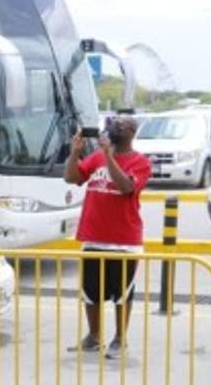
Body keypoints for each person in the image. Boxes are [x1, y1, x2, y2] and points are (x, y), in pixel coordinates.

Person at [64, 116, 152, 360]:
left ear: (132, 132)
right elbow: (71, 178)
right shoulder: (96, 158)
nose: (115, 127)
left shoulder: (141, 162)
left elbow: (126, 187)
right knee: (91, 293)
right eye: (114, 123)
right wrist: (75, 153)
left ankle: (120, 340)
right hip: (93, 237)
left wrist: (108, 156)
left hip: (124, 241)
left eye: (122, 125)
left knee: (121, 294)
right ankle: (94, 337)